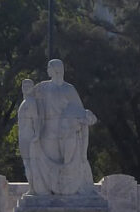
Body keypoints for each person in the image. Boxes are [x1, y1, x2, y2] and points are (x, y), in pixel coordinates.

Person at [27, 59, 98, 196]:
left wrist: (87, 116)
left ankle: (77, 187)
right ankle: (46, 190)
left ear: (56, 69)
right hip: (47, 133)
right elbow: (29, 97)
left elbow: (78, 111)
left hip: (66, 133)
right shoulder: (42, 87)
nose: (47, 70)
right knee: (49, 166)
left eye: (49, 67)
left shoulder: (69, 89)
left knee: (70, 164)